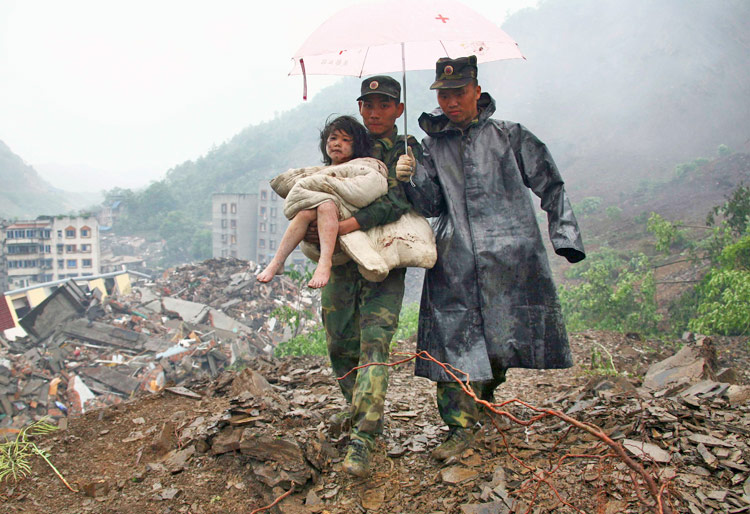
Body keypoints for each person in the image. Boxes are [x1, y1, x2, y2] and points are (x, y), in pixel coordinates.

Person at [396, 56, 585, 461]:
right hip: (455, 259)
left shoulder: (510, 136)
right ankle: (459, 428)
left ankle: (481, 402)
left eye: (458, 93)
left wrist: (564, 235)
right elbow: (430, 205)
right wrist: (411, 176)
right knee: (452, 344)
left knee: (500, 341)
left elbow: (550, 183)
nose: (450, 102)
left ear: (476, 91)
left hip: (511, 257)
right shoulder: (429, 148)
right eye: (443, 95)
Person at [309, 75, 422, 477]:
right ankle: (357, 408)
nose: (375, 111)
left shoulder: (407, 149)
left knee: (375, 342)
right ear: (360, 107)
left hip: (384, 260)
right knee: (339, 339)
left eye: (384, 104)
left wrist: (410, 176)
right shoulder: (349, 141)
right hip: (341, 262)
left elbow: (398, 202)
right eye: (368, 104)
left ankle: (364, 438)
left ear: (398, 110)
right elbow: (326, 191)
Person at [256, 115, 375, 288]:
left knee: (326, 204)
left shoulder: (360, 167)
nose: (336, 143)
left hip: (343, 212)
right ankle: (278, 261)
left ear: (356, 145)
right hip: (320, 215)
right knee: (305, 212)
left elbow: (359, 191)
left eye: (345, 140)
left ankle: (324, 262)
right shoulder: (320, 172)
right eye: (332, 138)